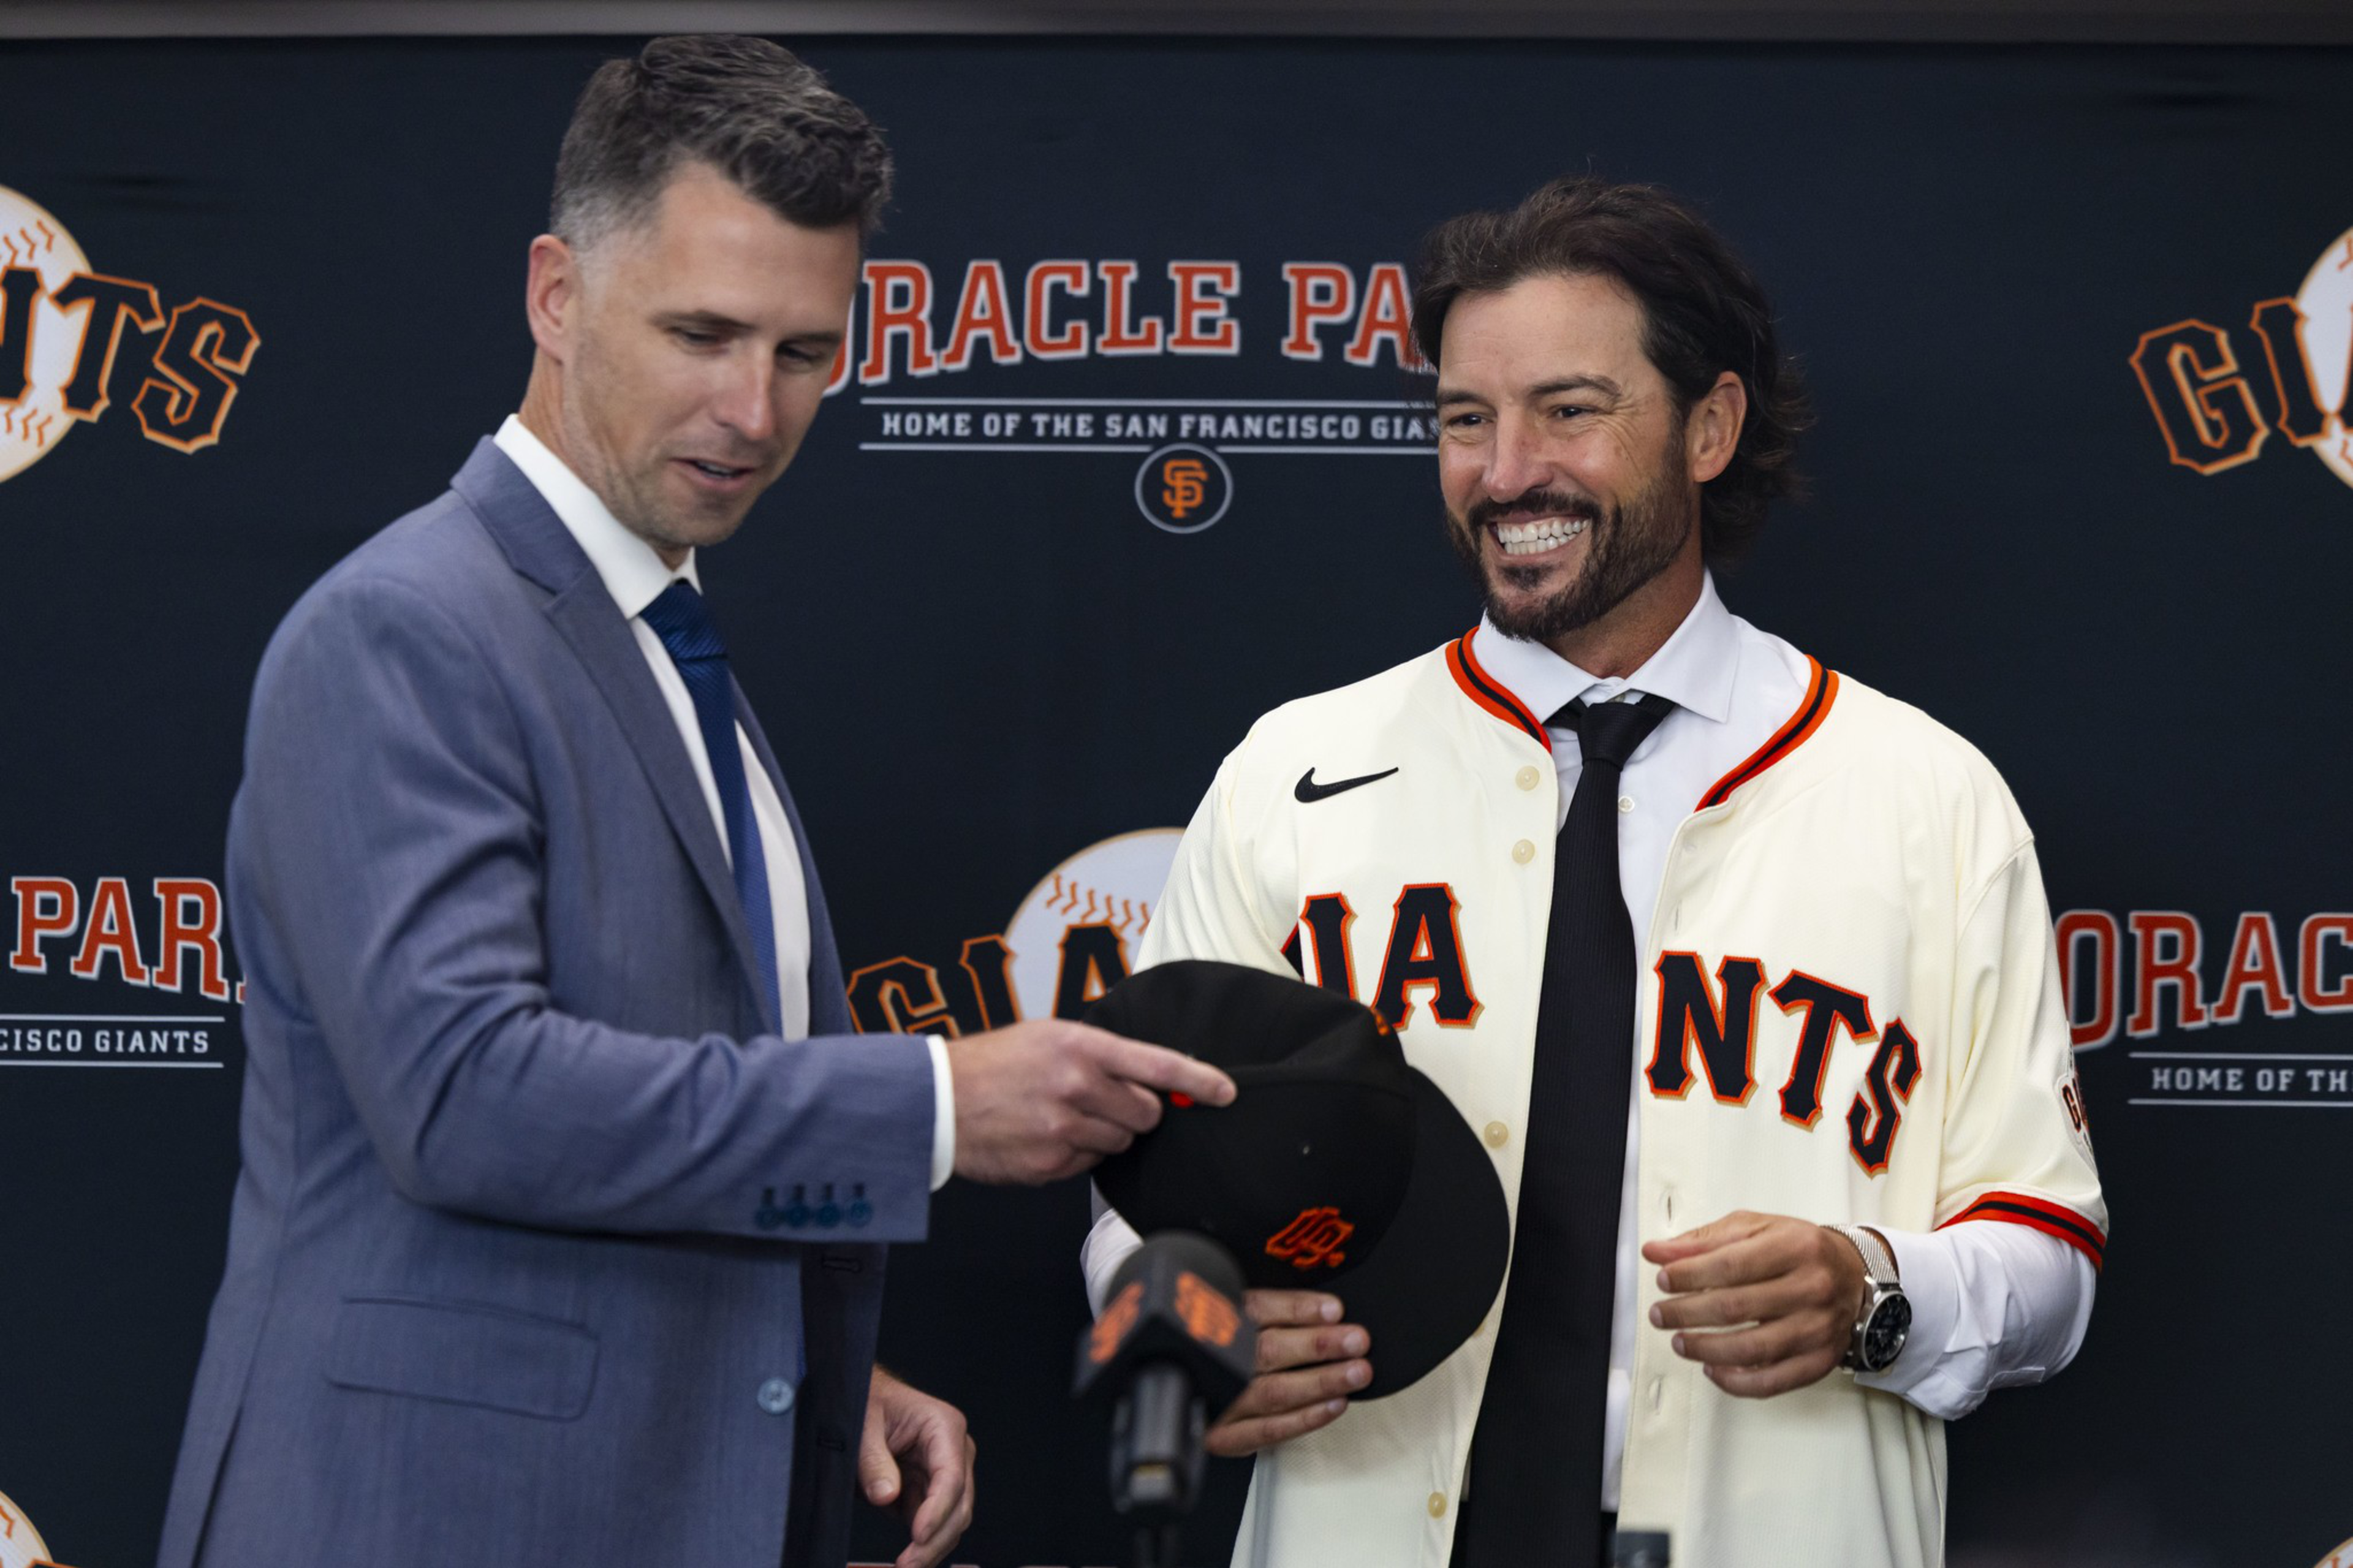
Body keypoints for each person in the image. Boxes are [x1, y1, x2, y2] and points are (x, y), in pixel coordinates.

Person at [156, 36, 1232, 1568]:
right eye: (703, 334)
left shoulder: (660, 638)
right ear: (554, 294)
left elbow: (662, 1120)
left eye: (803, 352)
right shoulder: (405, 627)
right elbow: (466, 1101)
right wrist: (939, 1104)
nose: (752, 408)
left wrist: (808, 1375)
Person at [1082, 176, 2106, 1568]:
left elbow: (2048, 1249)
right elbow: (1143, 1189)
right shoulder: (1295, 770)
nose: (1506, 473)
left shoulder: (1925, 794)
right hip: (1372, 1513)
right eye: (1463, 419)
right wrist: (1194, 1322)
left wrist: (1875, 1288)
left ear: (1709, 427)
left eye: (1569, 409)